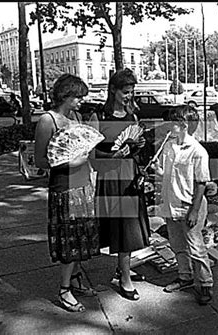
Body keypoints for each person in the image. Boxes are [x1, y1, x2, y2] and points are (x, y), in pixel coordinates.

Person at [34, 74, 100, 313]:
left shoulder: (77, 117)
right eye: (78, 97)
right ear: (65, 95)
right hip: (63, 188)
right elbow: (40, 159)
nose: (81, 101)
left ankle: (75, 278)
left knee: (82, 237)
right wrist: (69, 163)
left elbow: (84, 149)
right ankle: (64, 289)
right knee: (69, 240)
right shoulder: (47, 120)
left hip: (83, 185)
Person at [89, 68, 149, 301]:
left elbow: (134, 148)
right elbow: (91, 155)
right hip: (111, 178)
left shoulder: (133, 116)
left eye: (132, 92)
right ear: (112, 90)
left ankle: (123, 269)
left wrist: (138, 146)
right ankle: (125, 277)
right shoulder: (99, 117)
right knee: (123, 228)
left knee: (131, 228)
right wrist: (111, 157)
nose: (129, 96)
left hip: (130, 175)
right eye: (125, 91)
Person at [150, 105, 214, 306]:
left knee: (196, 247)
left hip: (189, 206)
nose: (169, 126)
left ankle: (205, 284)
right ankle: (185, 277)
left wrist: (194, 211)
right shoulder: (169, 146)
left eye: (173, 123)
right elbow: (172, 176)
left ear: (183, 125)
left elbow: (201, 183)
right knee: (177, 245)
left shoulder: (197, 151)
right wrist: (158, 171)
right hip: (172, 203)